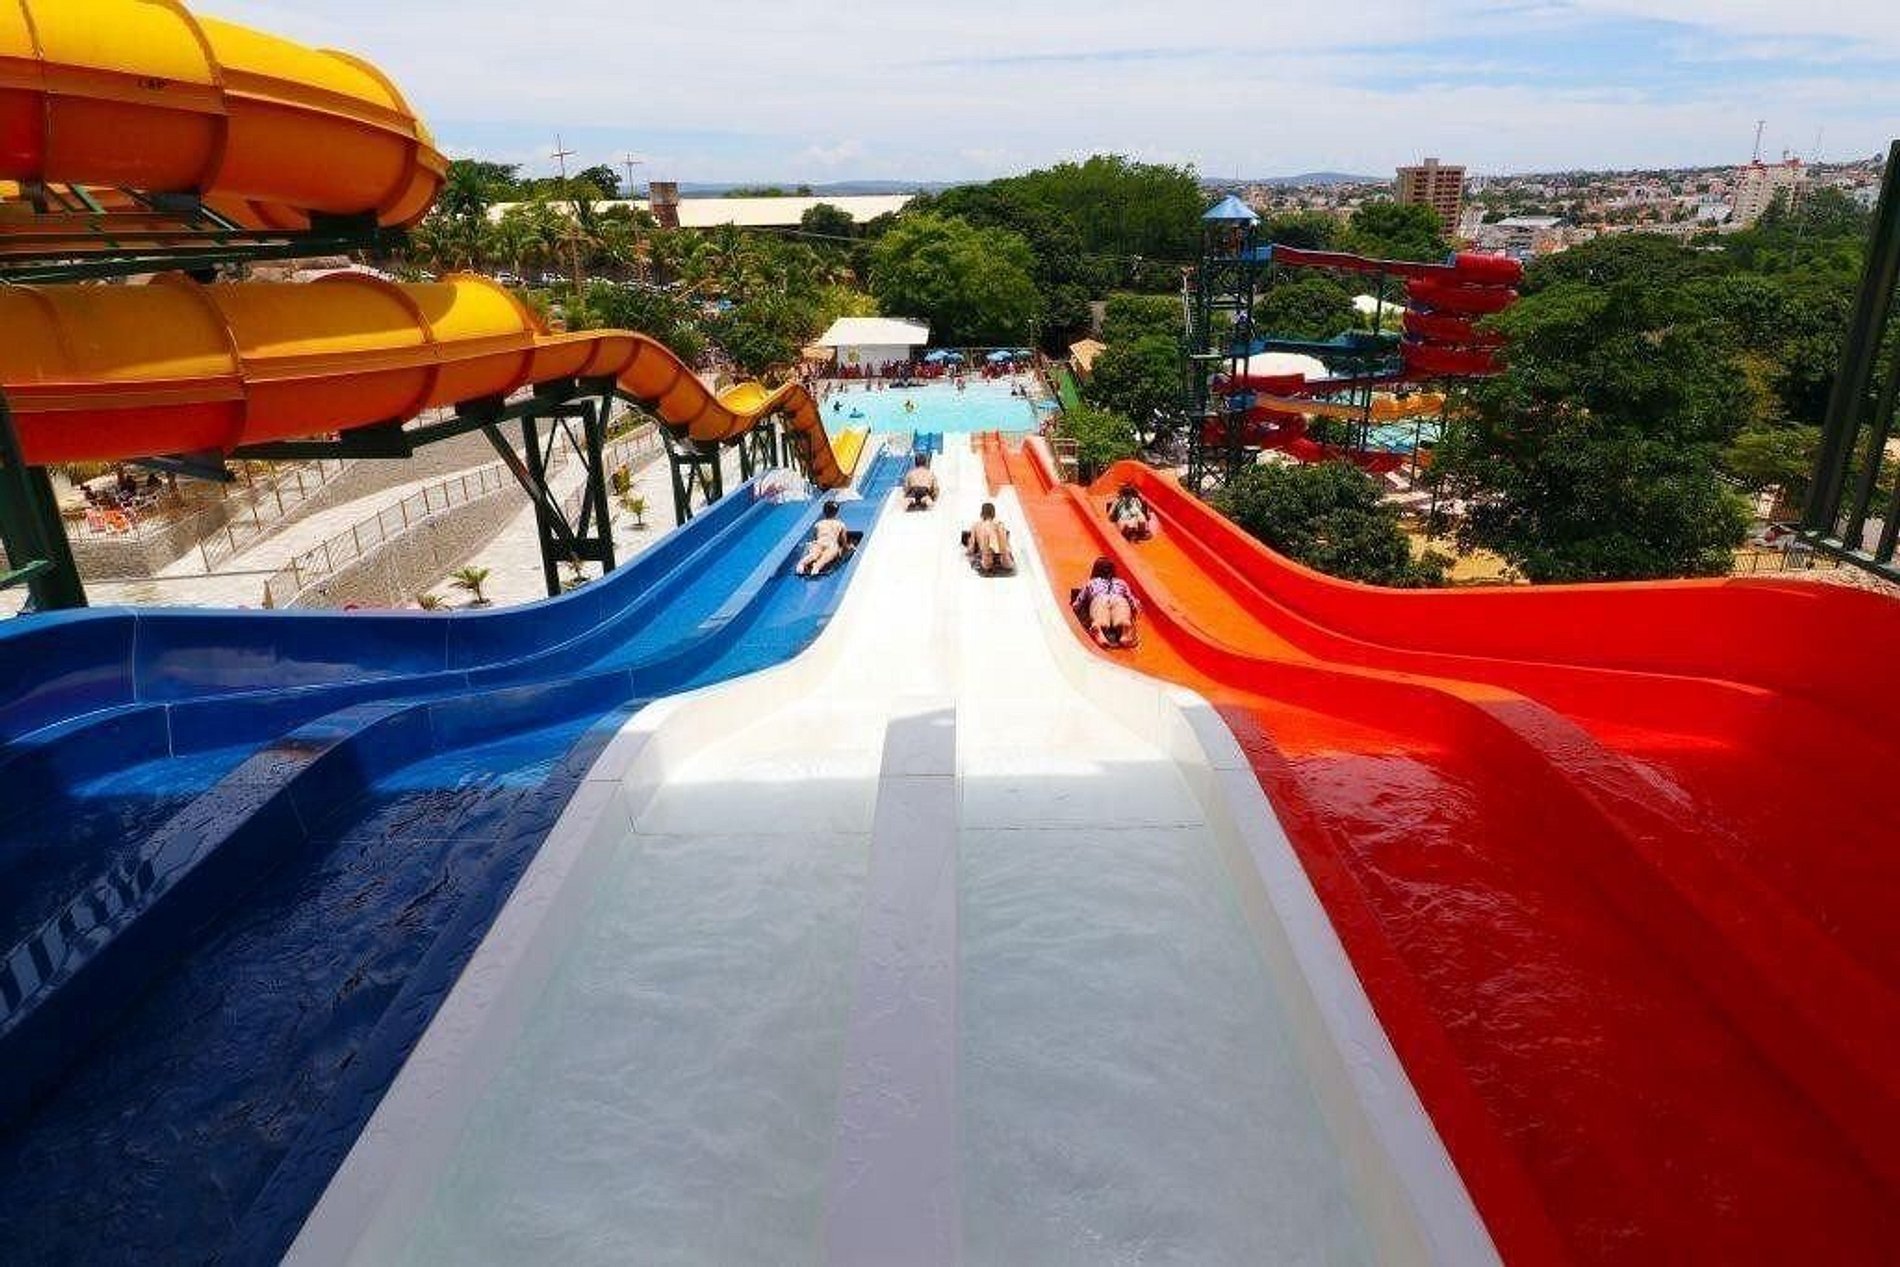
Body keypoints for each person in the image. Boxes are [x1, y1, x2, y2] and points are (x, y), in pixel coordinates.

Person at [1074, 557, 1140, 648]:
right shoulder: (1121, 583)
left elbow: (1079, 601)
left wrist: (1077, 606)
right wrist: (1135, 607)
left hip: (1099, 599)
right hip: (1119, 599)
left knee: (1100, 618)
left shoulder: (1092, 582)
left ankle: (1098, 628)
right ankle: (1125, 628)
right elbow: (1131, 599)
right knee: (1122, 616)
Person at [796, 501, 848, 576]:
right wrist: (844, 548)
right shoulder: (840, 524)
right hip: (831, 544)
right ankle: (816, 567)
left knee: (813, 555)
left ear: (824, 512)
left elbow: (814, 538)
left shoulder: (818, 524)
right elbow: (844, 541)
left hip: (819, 542)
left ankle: (801, 564)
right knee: (825, 557)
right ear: (836, 512)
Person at [965, 502, 1014, 574]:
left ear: (982, 513)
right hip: (1003, 557)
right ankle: (1003, 555)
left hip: (985, 559)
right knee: (1005, 553)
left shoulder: (976, 525)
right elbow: (1008, 545)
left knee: (984, 555)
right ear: (993, 514)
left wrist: (968, 553)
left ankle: (987, 553)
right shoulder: (999, 524)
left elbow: (971, 548)